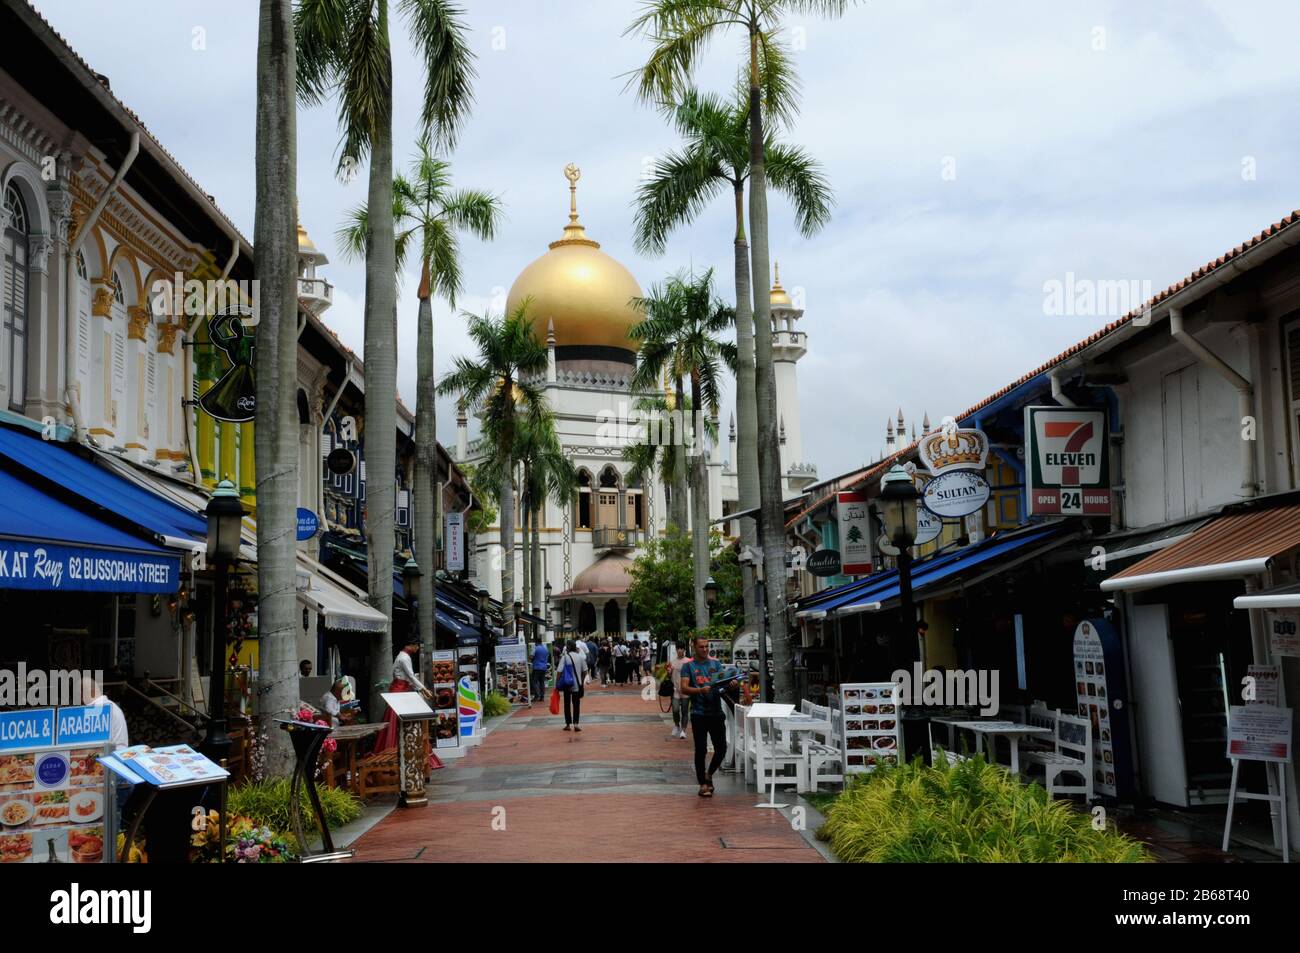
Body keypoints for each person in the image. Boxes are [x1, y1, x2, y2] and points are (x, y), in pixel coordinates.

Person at [375, 638, 443, 770]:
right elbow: (411, 677)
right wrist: (423, 689)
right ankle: (395, 751)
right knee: (397, 720)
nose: (418, 649)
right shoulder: (405, 657)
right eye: (418, 646)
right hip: (400, 691)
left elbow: (409, 678)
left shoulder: (402, 656)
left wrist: (422, 689)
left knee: (397, 720)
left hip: (402, 688)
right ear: (412, 645)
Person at [680, 638, 728, 797]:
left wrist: (731, 684)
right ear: (694, 647)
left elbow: (722, 684)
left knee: (721, 749)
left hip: (716, 712)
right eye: (701, 647)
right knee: (700, 750)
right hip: (699, 713)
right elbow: (684, 688)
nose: (705, 649)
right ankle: (702, 783)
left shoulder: (716, 664)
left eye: (707, 646)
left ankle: (709, 774)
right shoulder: (688, 666)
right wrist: (700, 691)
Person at [558, 639, 588, 731]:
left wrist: (557, 683)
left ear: (568, 647)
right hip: (577, 684)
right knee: (576, 704)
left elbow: (559, 671)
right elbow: (585, 671)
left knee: (567, 704)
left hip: (567, 684)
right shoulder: (580, 657)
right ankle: (576, 724)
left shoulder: (565, 657)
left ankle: (567, 724)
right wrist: (581, 680)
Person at [667, 642, 691, 739]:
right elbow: (669, 676)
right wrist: (668, 672)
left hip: (686, 690)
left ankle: (683, 730)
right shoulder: (672, 662)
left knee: (685, 711)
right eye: (678, 648)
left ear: (684, 649)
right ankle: (677, 725)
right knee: (675, 710)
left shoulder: (689, 661)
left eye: (681, 648)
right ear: (676, 650)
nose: (680, 650)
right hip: (675, 690)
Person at [530, 639, 550, 706]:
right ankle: (542, 696)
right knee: (542, 682)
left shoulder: (535, 648)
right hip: (544, 667)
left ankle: (536, 695)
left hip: (537, 667)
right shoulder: (545, 649)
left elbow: (531, 656)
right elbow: (547, 657)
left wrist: (532, 659)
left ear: (536, 643)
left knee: (534, 681)